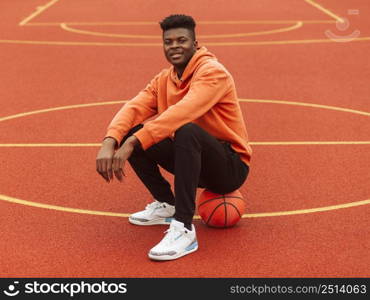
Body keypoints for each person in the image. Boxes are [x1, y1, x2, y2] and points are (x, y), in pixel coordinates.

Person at [96, 14, 252, 261]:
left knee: (185, 129)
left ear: (195, 43)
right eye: (168, 42)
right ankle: (166, 203)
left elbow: (183, 111)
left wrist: (132, 144)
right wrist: (111, 141)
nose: (175, 46)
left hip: (229, 166)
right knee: (129, 131)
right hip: (194, 161)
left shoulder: (213, 73)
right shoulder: (164, 79)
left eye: (182, 40)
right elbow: (134, 107)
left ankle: (184, 228)